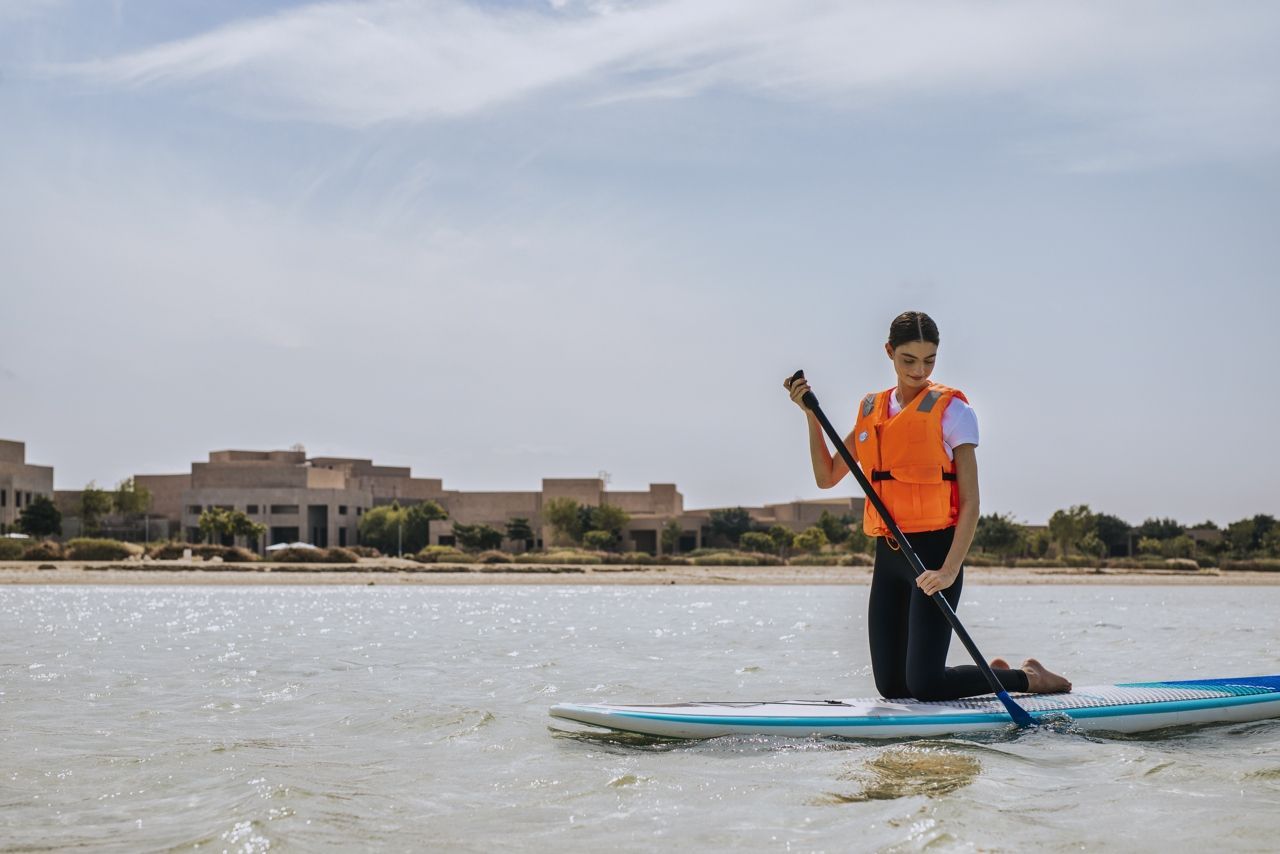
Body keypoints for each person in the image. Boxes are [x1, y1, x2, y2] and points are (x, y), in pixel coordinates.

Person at [785, 311, 1070, 700]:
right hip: (890, 558)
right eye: (908, 360)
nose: (919, 370)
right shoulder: (872, 410)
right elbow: (827, 476)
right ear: (889, 352)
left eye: (929, 360)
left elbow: (971, 502)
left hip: (936, 556)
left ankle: (1028, 677)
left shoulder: (953, 411)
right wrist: (810, 417)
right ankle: (991, 675)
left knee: (926, 685)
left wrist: (950, 570)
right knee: (892, 688)